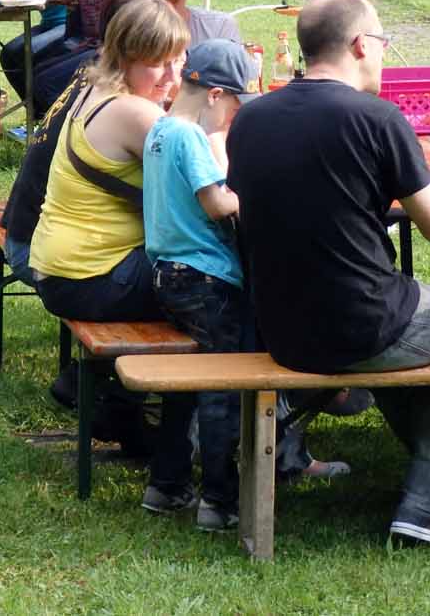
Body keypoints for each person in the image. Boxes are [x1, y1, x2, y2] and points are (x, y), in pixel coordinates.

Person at [228, 0, 430, 549]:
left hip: (281, 328)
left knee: (414, 332)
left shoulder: (250, 118)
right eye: (382, 42)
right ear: (359, 45)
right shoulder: (377, 117)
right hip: (359, 321)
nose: (383, 53)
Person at [140, 39, 256, 532]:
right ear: (214, 95)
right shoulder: (189, 136)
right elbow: (217, 204)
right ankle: (220, 499)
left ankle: (166, 484)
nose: (231, 118)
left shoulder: (160, 129)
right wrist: (251, 195)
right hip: (207, 278)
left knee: (185, 385)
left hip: (168, 274)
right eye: (232, 107)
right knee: (220, 390)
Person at [29, 0, 189, 321]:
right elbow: (205, 185)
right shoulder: (135, 112)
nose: (172, 78)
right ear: (124, 58)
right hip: (93, 277)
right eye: (158, 63)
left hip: (60, 270)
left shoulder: (95, 87)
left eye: (179, 61)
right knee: (225, 275)